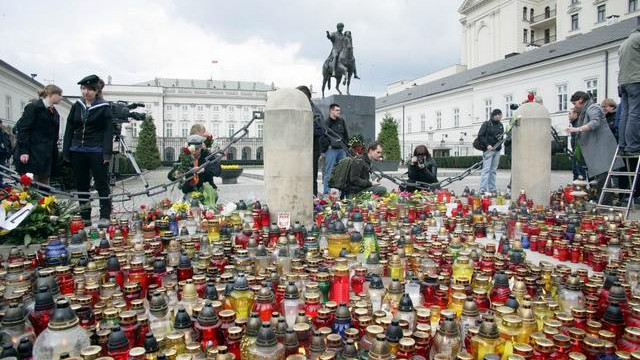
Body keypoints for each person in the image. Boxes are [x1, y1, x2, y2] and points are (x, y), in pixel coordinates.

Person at [62, 75, 113, 224]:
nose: (86, 92)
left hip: (96, 150)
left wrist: (106, 153)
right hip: (78, 150)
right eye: (84, 89)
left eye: (90, 89)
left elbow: (108, 132)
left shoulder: (104, 107)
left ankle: (104, 215)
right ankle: (85, 216)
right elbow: (69, 129)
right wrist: (66, 152)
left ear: (96, 91)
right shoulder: (76, 106)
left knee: (101, 184)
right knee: (81, 184)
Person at [566, 91, 622, 195]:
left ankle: (604, 203)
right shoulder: (587, 109)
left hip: (602, 148)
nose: (575, 107)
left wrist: (577, 129)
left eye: (575, 104)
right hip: (598, 148)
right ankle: (601, 200)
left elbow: (595, 122)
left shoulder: (592, 108)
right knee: (600, 177)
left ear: (580, 100)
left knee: (602, 177)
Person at [15, 84, 63, 184]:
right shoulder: (34, 107)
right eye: (59, 94)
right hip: (33, 153)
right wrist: (24, 151)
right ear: (51, 94)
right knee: (30, 184)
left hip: (47, 155)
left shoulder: (54, 112)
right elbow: (24, 129)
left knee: (44, 185)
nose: (61, 97)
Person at [296, 85, 329, 196]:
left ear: (306, 96)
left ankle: (313, 199)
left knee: (311, 176)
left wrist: (305, 130)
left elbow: (321, 129)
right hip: (301, 148)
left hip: (312, 148)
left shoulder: (315, 111)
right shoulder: (301, 108)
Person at [168, 134, 220, 199]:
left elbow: (218, 171)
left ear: (201, 146)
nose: (194, 152)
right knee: (191, 202)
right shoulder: (184, 157)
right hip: (190, 191)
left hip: (207, 190)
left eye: (197, 149)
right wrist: (176, 174)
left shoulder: (207, 155)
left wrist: (203, 170)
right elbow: (170, 176)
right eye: (192, 149)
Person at [617, 26, 640, 156]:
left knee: (625, 114)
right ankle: (633, 145)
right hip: (636, 80)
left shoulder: (624, 43)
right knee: (635, 113)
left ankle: (623, 144)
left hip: (623, 82)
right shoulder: (638, 39)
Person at [323, 103, 349, 194]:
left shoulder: (341, 121)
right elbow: (323, 137)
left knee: (344, 171)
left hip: (342, 150)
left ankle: (344, 193)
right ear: (331, 111)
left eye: (339, 110)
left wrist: (346, 147)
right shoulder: (326, 122)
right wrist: (327, 146)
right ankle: (326, 193)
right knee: (329, 171)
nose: (339, 112)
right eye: (337, 110)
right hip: (331, 150)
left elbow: (345, 135)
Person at [477, 109, 504, 193]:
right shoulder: (487, 124)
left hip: (497, 150)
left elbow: (501, 137)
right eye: (500, 115)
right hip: (488, 150)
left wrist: (500, 142)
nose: (501, 116)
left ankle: (492, 188)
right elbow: (480, 136)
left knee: (493, 170)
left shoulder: (500, 125)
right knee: (486, 169)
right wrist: (487, 145)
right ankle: (483, 188)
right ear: (495, 115)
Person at [568, 107, 587, 180]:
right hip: (575, 151)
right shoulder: (574, 124)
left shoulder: (577, 125)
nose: (568, 115)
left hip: (578, 152)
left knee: (579, 172)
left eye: (570, 113)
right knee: (576, 172)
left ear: (576, 114)